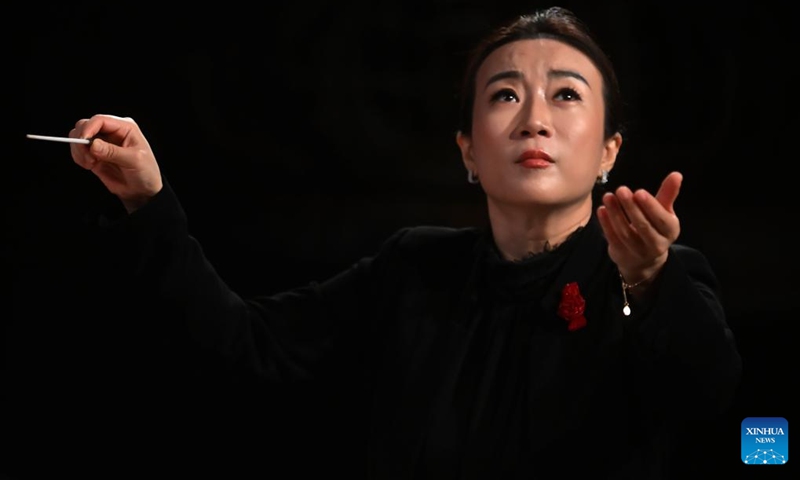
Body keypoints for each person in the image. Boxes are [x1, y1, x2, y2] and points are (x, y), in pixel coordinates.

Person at [63, 6, 740, 479]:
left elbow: (713, 404)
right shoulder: (413, 269)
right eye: (505, 96)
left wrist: (651, 280)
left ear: (609, 152)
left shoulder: (656, 281)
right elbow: (244, 345)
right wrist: (147, 200)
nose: (535, 118)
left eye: (566, 95)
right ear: (468, 151)